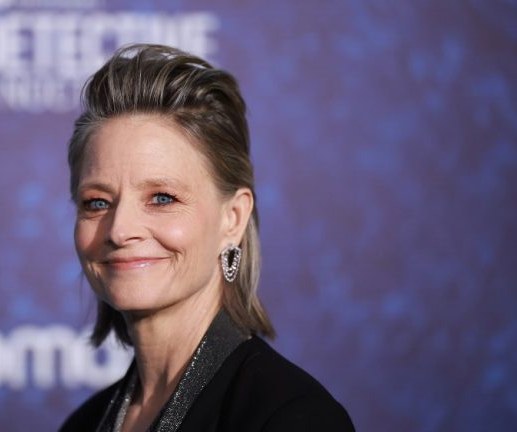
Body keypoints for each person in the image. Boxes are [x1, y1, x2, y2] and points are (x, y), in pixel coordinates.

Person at [60, 44, 354, 432]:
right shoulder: (84, 424)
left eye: (162, 198)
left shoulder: (291, 418)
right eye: (97, 202)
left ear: (232, 218)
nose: (118, 229)